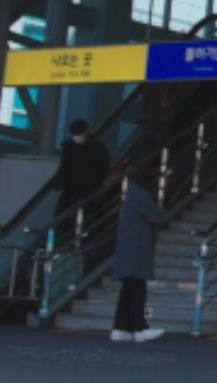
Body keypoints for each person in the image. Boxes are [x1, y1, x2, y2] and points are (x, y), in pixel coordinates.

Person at [110, 178, 168, 344]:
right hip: (136, 250)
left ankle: (121, 327)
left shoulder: (131, 196)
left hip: (127, 249)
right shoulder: (140, 196)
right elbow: (157, 216)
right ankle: (139, 328)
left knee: (128, 289)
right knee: (137, 288)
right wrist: (163, 208)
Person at [53, 118, 111, 226]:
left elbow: (65, 167)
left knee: (68, 217)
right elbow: (65, 167)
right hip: (77, 189)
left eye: (78, 133)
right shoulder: (96, 148)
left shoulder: (71, 147)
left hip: (83, 189)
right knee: (68, 218)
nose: (77, 136)